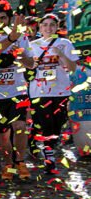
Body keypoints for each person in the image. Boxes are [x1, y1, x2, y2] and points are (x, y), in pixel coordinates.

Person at [0, 4, 34, 180]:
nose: (0, 22)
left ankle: (20, 162)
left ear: (10, 19)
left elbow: (31, 64)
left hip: (17, 91)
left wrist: (18, 56)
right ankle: (8, 164)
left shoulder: (22, 38)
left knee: (20, 126)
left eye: (3, 18)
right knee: (3, 134)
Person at [28, 13, 78, 174]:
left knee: (58, 123)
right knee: (46, 122)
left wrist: (60, 54)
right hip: (39, 91)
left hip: (60, 90)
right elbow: (26, 68)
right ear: (40, 28)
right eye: (45, 25)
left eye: (52, 25)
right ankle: (49, 156)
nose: (48, 28)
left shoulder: (65, 43)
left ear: (57, 27)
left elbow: (72, 68)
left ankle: (41, 142)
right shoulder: (32, 45)